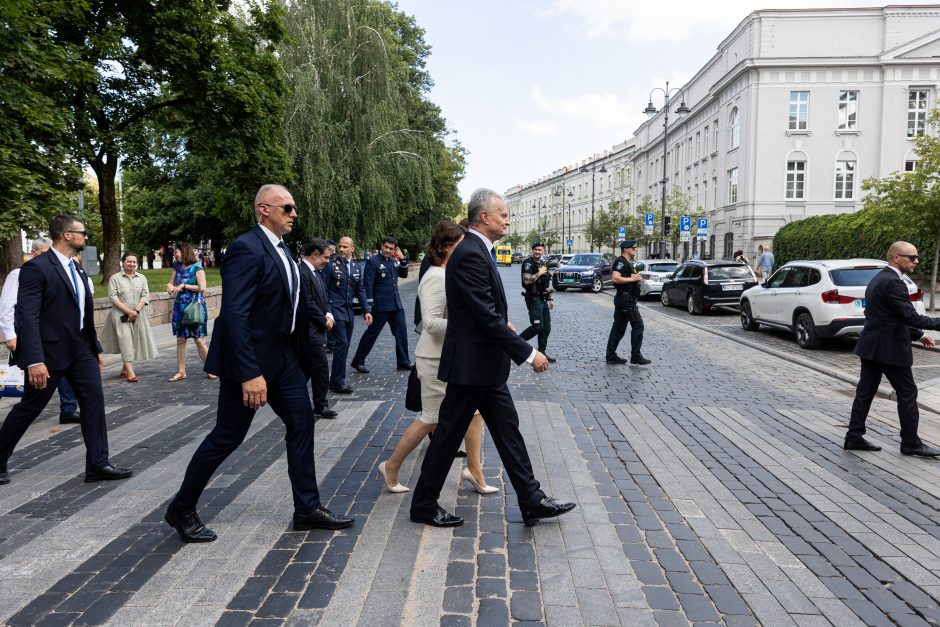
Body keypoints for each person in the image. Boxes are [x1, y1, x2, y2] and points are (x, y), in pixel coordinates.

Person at [164, 184, 353, 543]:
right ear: (264, 209)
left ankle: (307, 508)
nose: (294, 213)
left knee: (302, 423)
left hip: (284, 358)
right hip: (249, 362)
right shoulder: (246, 248)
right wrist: (251, 373)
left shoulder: (285, 250)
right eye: (288, 208)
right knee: (227, 437)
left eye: (294, 208)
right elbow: (235, 315)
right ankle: (182, 507)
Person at [409, 188, 575, 528]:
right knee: (447, 438)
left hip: (483, 367)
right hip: (471, 367)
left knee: (508, 431)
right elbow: (484, 316)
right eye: (503, 214)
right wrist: (529, 353)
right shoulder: (470, 252)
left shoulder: (478, 249)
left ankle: (531, 499)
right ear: (484, 217)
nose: (507, 220)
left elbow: (485, 312)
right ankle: (424, 505)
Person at [0, 215, 132, 485]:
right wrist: (35, 360)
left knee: (94, 403)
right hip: (49, 355)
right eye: (82, 233)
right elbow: (27, 316)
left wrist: (94, 348)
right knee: (30, 408)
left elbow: (82, 311)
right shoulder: (37, 268)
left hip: (80, 350)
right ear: (67, 235)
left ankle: (98, 464)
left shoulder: (77, 268)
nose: (86, 237)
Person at [378, 221, 497, 495]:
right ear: (445, 247)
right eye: (460, 244)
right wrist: (472, 326)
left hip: (452, 357)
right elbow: (430, 323)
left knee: (475, 413)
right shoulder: (435, 277)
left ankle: (475, 470)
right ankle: (392, 465)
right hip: (434, 360)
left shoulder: (450, 273)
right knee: (430, 418)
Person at [844, 242, 940, 458]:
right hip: (890, 350)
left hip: (872, 347)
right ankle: (911, 443)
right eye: (911, 257)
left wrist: (919, 334)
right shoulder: (894, 283)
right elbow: (909, 316)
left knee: (865, 393)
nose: (916, 261)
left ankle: (854, 437)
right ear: (896, 258)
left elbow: (889, 316)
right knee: (907, 393)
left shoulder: (880, 279)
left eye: (916, 257)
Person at [0, 237, 81, 424]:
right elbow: (7, 307)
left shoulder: (55, 271)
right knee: (31, 384)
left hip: (52, 336)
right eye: (44, 253)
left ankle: (68, 408)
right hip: (28, 337)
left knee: (63, 372)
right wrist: (10, 335)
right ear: (34, 253)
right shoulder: (19, 274)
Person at [351, 236, 411, 373]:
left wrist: (403, 259)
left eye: (391, 248)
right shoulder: (373, 262)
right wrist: (368, 308)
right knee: (372, 334)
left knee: (401, 334)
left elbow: (404, 274)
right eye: (386, 247)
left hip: (396, 304)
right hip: (380, 307)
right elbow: (368, 285)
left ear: (395, 250)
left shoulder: (393, 261)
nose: (388, 250)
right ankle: (358, 361)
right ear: (382, 246)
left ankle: (403, 362)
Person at [99, 252, 158, 382]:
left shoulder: (142, 278)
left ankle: (124, 368)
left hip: (138, 314)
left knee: (134, 341)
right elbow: (113, 298)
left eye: (134, 262)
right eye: (129, 261)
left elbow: (145, 295)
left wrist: (136, 310)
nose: (131, 264)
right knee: (126, 341)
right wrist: (128, 312)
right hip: (120, 315)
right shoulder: (115, 278)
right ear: (123, 262)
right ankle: (131, 372)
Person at [325, 237, 372, 394]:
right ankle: (337, 382)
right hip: (335, 310)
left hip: (348, 312)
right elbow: (324, 289)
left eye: (345, 247)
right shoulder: (331, 265)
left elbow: (360, 289)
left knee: (344, 346)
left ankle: (336, 380)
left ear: (352, 249)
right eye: (340, 246)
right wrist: (327, 311)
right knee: (342, 345)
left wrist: (366, 310)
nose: (341, 249)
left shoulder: (355, 266)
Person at [299, 238, 337, 419]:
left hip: (318, 328)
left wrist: (328, 314)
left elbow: (323, 297)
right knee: (320, 368)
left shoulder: (315, 272)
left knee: (307, 369)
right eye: (326, 257)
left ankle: (294, 399)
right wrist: (323, 320)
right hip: (309, 330)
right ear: (315, 254)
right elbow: (307, 301)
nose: (327, 261)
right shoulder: (302, 272)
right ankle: (320, 405)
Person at [167, 242, 213, 382]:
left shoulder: (197, 268)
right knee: (180, 339)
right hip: (180, 307)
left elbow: (203, 287)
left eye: (177, 252)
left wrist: (184, 286)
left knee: (199, 340)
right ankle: (181, 371)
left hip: (194, 307)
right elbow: (170, 282)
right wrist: (170, 287)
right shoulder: (177, 267)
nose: (175, 254)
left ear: (185, 252)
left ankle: (211, 368)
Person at [606, 241, 650, 366]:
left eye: (636, 247)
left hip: (625, 300)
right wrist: (632, 278)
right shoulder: (621, 262)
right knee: (638, 325)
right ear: (625, 249)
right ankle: (636, 356)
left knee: (618, 328)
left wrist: (635, 278)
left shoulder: (627, 262)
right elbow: (615, 277)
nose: (635, 249)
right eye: (633, 247)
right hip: (625, 301)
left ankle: (611, 355)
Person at [519, 243, 556, 363]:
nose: (537, 252)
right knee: (537, 326)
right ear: (532, 250)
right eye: (535, 249)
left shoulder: (543, 264)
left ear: (543, 251)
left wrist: (550, 298)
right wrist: (539, 273)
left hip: (543, 299)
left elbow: (546, 284)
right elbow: (526, 279)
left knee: (546, 327)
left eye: (540, 250)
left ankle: (542, 352)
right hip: (533, 299)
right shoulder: (528, 263)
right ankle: (514, 345)